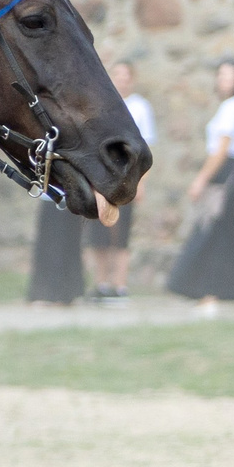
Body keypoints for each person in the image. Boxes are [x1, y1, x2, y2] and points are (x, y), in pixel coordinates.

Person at [166, 57, 234, 315]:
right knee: (225, 236)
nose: (222, 80)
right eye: (220, 75)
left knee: (215, 233)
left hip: (227, 175)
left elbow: (221, 150)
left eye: (228, 75)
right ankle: (213, 295)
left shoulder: (232, 107)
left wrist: (201, 179)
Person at [86, 60, 157, 301]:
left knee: (121, 233)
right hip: (102, 176)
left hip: (126, 176)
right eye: (117, 75)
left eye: (126, 75)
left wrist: (142, 182)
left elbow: (146, 146)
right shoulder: (102, 103)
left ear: (132, 79)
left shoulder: (140, 107)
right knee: (99, 232)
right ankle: (101, 283)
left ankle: (120, 284)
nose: (121, 79)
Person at [25, 197, 84, 306]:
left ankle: (68, 293)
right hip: (54, 196)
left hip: (71, 198)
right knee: (50, 242)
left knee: (69, 243)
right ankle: (46, 293)